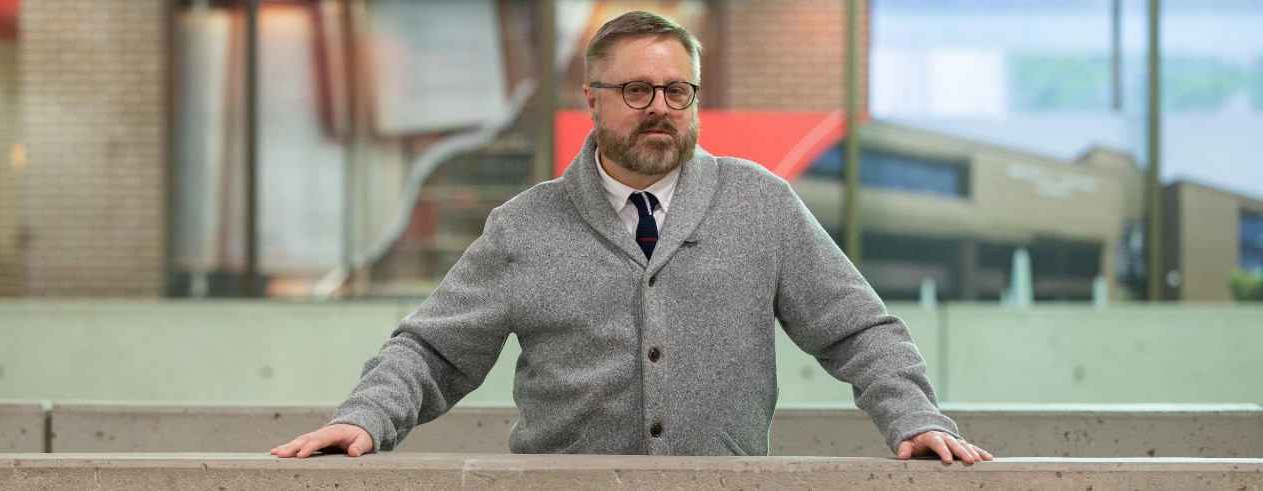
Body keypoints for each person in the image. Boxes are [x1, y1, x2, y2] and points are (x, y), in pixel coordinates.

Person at [272, 10, 992, 465]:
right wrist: (364, 418)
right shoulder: (524, 225)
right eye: (636, 91)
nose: (660, 109)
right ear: (591, 98)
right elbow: (431, 349)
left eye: (677, 92)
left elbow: (860, 329)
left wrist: (915, 414)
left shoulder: (762, 204)